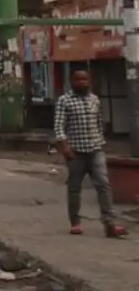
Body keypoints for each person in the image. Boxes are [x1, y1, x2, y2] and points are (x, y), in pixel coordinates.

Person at [53, 70, 128, 238]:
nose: (82, 82)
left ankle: (109, 224)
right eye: (78, 79)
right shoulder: (65, 100)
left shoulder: (94, 100)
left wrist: (101, 143)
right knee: (74, 188)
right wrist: (65, 148)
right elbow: (59, 127)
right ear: (72, 81)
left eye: (85, 79)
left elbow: (99, 124)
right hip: (76, 152)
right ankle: (76, 223)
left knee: (103, 185)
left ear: (90, 81)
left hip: (95, 150)